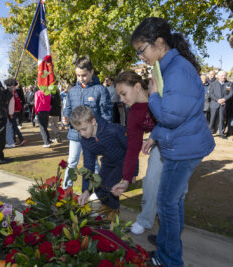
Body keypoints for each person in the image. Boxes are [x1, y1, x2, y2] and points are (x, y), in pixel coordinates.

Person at [119, 17, 215, 267]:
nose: (141, 56)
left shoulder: (177, 70)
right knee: (174, 200)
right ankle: (167, 240)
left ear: (159, 42)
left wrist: (152, 97)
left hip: (183, 148)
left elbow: (170, 116)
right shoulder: (168, 67)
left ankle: (169, 258)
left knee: (167, 202)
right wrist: (156, 136)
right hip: (181, 142)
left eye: (142, 50)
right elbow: (175, 115)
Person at [111, 71, 163, 235]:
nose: (122, 99)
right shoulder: (133, 113)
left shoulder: (159, 93)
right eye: (119, 95)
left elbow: (174, 119)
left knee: (176, 192)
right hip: (159, 147)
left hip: (181, 145)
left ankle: (169, 230)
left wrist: (155, 136)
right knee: (150, 182)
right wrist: (126, 179)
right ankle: (145, 220)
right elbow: (132, 148)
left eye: (124, 93)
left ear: (138, 86)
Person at [62, 56, 112, 188]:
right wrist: (65, 119)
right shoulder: (72, 91)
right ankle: (65, 190)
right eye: (78, 75)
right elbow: (67, 109)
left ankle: (98, 190)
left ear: (92, 71)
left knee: (94, 164)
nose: (80, 78)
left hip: (92, 135)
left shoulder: (101, 90)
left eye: (84, 75)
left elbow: (106, 115)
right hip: (74, 134)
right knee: (72, 162)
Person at [71, 106, 128, 220]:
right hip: (107, 162)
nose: (82, 133)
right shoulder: (85, 141)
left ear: (93, 121)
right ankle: (106, 206)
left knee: (109, 186)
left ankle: (114, 210)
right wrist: (86, 190)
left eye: (84, 129)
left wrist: (132, 173)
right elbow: (88, 165)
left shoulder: (114, 130)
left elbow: (131, 150)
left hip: (123, 161)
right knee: (98, 186)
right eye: (78, 130)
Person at [208, 70, 233, 139]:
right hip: (214, 104)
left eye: (224, 75)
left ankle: (221, 133)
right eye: (222, 75)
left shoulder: (229, 84)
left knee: (222, 119)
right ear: (218, 76)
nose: (223, 77)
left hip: (223, 104)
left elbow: (230, 93)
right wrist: (218, 100)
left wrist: (224, 99)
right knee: (212, 118)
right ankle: (210, 132)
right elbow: (210, 94)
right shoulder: (213, 84)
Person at [6, 78, 26, 147]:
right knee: (13, 126)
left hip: (13, 111)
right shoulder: (15, 92)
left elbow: (12, 103)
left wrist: (11, 113)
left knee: (14, 126)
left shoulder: (12, 92)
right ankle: (14, 139)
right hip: (16, 110)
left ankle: (21, 138)